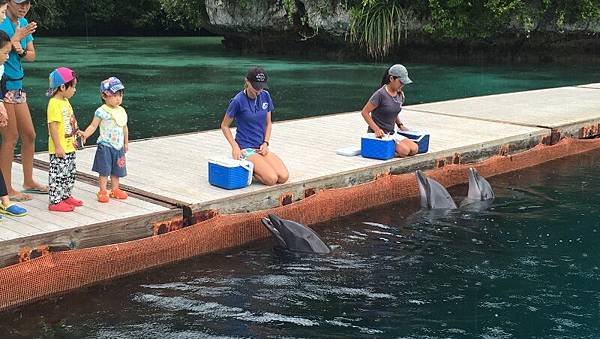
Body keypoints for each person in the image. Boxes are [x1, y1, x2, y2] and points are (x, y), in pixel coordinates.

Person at [0, 0, 45, 202]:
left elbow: (32, 56)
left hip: (18, 85)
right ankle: (7, 189)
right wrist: (14, 39)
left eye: (27, 3)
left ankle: (28, 181)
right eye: (19, 3)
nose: (23, 7)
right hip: (5, 85)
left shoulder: (24, 22)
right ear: (8, 3)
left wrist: (21, 50)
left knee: (30, 134)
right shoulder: (1, 22)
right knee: (11, 137)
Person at [220, 67, 288, 186]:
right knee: (271, 179)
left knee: (283, 177)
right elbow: (224, 126)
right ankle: (249, 167)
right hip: (245, 148)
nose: (259, 91)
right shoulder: (237, 101)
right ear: (247, 82)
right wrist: (235, 147)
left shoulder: (265, 96)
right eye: (256, 87)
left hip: (261, 147)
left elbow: (268, 123)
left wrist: (266, 143)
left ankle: (259, 164)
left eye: (261, 87)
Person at [81, 77, 129, 203]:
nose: (118, 98)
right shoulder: (101, 111)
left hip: (118, 146)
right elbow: (93, 125)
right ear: (104, 96)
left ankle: (115, 189)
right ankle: (102, 190)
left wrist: (126, 143)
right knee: (104, 170)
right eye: (114, 95)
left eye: (120, 94)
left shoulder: (122, 111)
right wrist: (86, 134)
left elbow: (124, 127)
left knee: (116, 170)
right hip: (105, 145)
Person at [360, 64, 418, 157]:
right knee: (405, 151)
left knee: (414, 149)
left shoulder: (400, 95)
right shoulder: (380, 94)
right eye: (400, 82)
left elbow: (394, 111)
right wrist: (376, 129)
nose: (402, 85)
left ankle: (389, 148)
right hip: (379, 135)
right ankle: (381, 150)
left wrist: (400, 125)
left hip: (391, 133)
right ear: (391, 79)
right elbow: (365, 112)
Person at [47, 67, 82, 212]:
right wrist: (58, 146)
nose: (74, 90)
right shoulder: (54, 103)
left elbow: (70, 121)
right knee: (58, 175)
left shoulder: (65, 101)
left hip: (70, 145)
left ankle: (66, 195)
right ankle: (55, 201)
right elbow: (53, 127)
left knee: (69, 173)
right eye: (72, 86)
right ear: (62, 87)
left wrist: (78, 134)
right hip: (60, 148)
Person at [0, 18, 25, 217]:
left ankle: (4, 200)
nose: (7, 57)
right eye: (5, 53)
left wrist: (1, 105)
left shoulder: (0, 68)